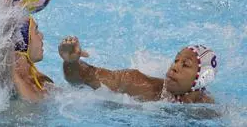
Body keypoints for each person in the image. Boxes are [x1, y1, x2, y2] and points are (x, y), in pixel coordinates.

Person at [58, 36, 218, 103]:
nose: (175, 67)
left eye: (185, 64)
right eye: (176, 60)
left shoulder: (207, 110)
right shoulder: (141, 84)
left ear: (202, 77)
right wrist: (71, 62)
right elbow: (83, 78)